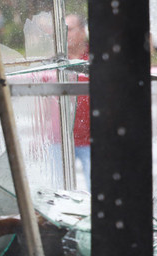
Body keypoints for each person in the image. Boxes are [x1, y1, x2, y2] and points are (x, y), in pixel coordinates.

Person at [67, 14, 91, 189]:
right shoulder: (56, 61)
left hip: (91, 140)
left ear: (82, 32)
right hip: (62, 140)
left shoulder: (94, 58)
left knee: (96, 189)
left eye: (69, 30)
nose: (65, 34)